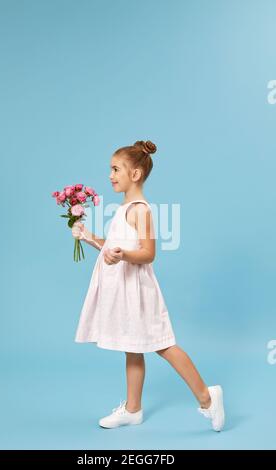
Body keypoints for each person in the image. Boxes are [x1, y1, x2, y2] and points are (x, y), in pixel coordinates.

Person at [72, 140, 225, 432]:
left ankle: (207, 397)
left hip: (139, 290)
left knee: (163, 344)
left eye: (116, 169)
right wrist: (89, 236)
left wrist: (124, 255)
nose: (110, 175)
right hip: (125, 289)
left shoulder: (140, 210)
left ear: (136, 174)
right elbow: (114, 248)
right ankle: (133, 409)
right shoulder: (123, 208)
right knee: (132, 347)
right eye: (110, 169)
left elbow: (148, 253)